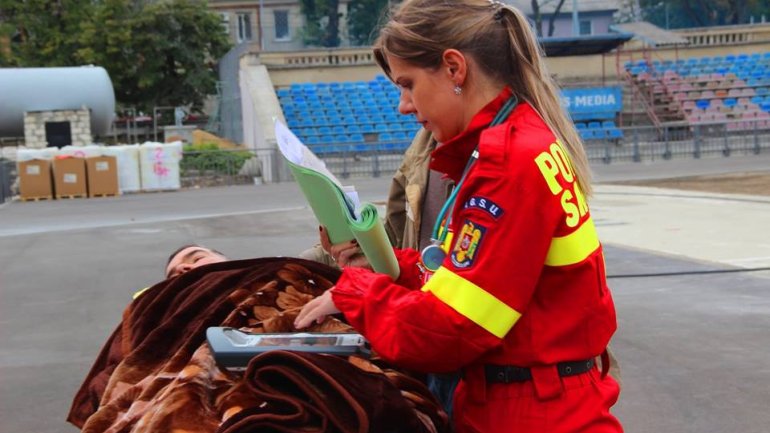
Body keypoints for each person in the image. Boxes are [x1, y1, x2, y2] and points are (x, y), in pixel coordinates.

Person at [295, 0, 622, 432]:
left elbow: (452, 330)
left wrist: (356, 294)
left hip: (533, 414)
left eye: (408, 84)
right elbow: (470, 278)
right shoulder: (514, 142)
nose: (403, 106)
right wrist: (392, 272)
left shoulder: (506, 162)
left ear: (454, 68)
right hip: (537, 404)